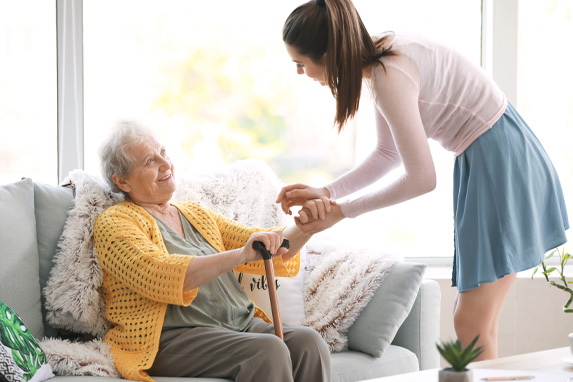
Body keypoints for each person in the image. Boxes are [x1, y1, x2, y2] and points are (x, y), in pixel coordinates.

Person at [278, 0, 569, 360]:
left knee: (471, 325)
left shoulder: (388, 75)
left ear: (328, 54)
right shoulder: (383, 60)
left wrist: (341, 211)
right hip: (493, 153)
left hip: (498, 159)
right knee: (474, 324)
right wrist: (328, 193)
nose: (300, 73)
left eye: (301, 64)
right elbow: (389, 154)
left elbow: (421, 179)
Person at [93, 121, 331, 382]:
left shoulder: (194, 214)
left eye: (163, 152)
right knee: (267, 351)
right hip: (171, 338)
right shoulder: (116, 222)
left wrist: (309, 226)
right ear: (122, 181)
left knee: (310, 344)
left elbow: (266, 247)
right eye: (150, 161)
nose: (165, 164)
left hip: (239, 325)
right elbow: (158, 274)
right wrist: (240, 254)